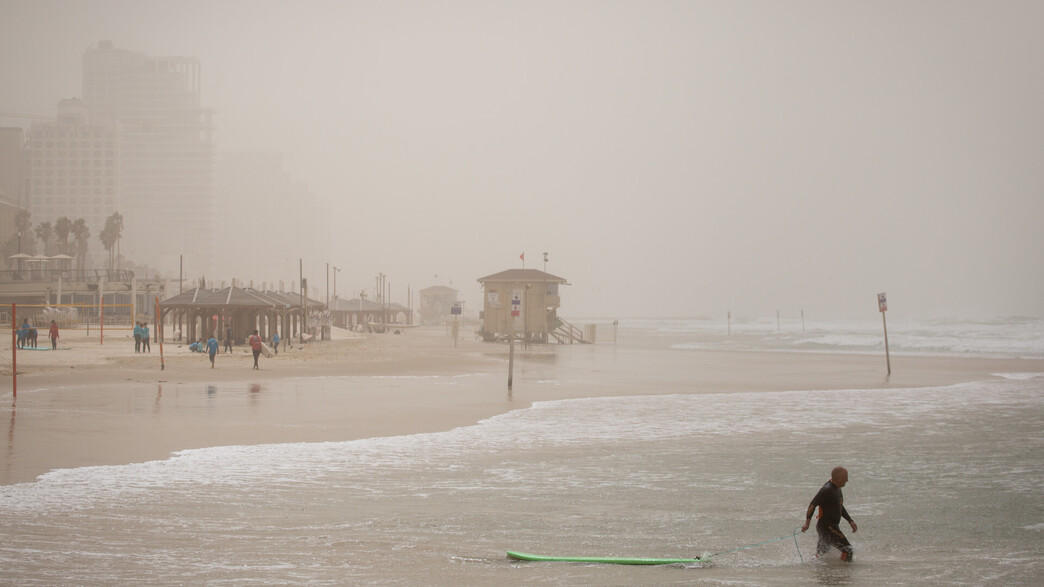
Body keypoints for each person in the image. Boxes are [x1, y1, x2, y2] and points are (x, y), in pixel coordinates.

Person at [802, 466, 858, 562]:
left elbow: (839, 505)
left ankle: (822, 574)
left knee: (820, 557)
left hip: (828, 527)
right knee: (848, 550)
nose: (847, 480)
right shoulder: (827, 489)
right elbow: (812, 504)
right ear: (840, 478)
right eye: (845, 478)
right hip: (827, 527)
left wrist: (850, 521)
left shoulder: (837, 488)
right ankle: (843, 575)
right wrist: (807, 523)